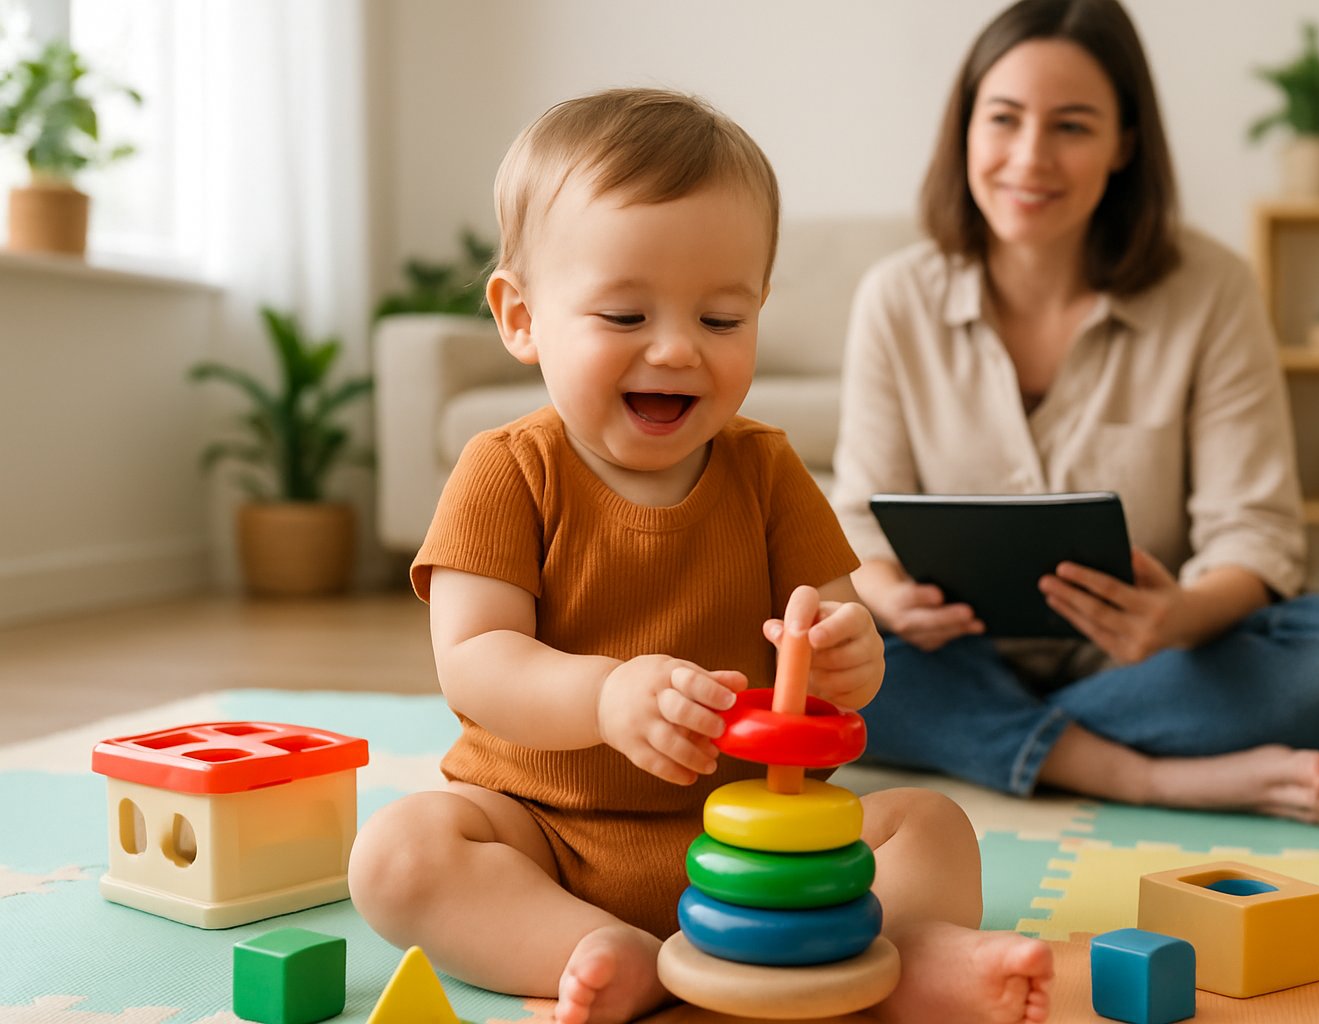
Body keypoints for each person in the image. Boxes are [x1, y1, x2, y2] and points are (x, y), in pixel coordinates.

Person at [347, 88, 1052, 1024]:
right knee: (397, 854)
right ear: (521, 317)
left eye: (721, 321)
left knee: (934, 828)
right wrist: (604, 698)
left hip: (762, 843)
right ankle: (604, 956)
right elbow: (475, 663)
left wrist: (851, 655)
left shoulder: (766, 468)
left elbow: (834, 625)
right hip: (548, 833)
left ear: (759, 308)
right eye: (626, 317)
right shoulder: (505, 472)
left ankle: (901, 959)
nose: (677, 350)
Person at [831, 0, 1319, 826]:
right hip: (944, 657)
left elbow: (1256, 531)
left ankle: (998, 743)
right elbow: (859, 520)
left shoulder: (1213, 291)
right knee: (800, 641)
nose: (1030, 158)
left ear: (1124, 145)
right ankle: (1143, 775)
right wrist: (890, 597)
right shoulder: (895, 297)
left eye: (1072, 126)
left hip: (1150, 667)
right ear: (965, 130)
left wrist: (1179, 618)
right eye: (1003, 120)